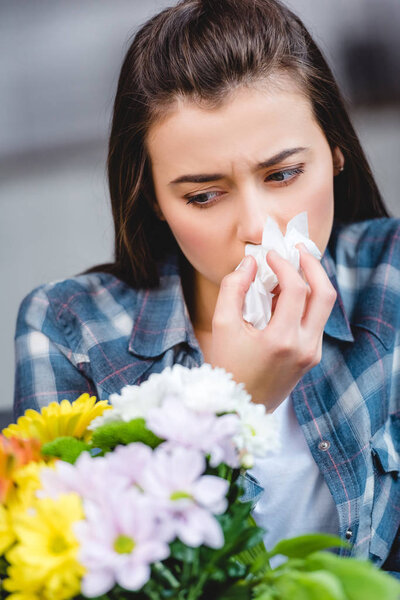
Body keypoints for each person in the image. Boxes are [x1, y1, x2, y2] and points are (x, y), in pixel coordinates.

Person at [13, 0, 400, 576]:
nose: (254, 226)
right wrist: (231, 407)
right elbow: (75, 573)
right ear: (155, 202)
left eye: (283, 174)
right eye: (202, 195)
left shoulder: (389, 273)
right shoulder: (71, 329)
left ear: (336, 151)